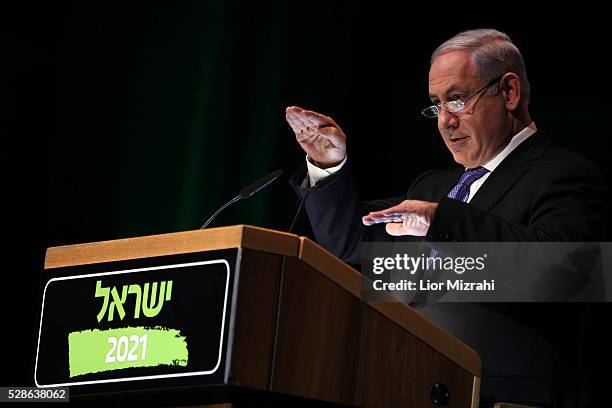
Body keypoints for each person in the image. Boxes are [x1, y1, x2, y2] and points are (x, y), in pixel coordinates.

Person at [286, 29, 608, 407]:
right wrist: (329, 166)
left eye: (456, 100)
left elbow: (563, 275)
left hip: (502, 397)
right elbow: (349, 247)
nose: (444, 121)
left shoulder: (562, 174)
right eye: (436, 106)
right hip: (404, 387)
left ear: (509, 92)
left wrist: (442, 222)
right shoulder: (434, 187)